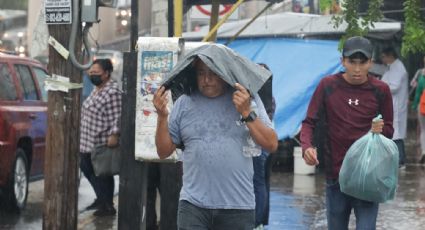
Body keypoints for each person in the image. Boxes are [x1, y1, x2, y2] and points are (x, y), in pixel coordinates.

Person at [153, 58, 278, 230]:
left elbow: (271, 144)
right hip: (193, 205)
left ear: (224, 74)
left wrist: (247, 112)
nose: (206, 80)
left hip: (237, 207)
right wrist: (162, 117)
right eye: (201, 73)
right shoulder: (184, 103)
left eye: (212, 73)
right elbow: (163, 151)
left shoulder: (246, 99)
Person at [300, 36, 394, 229]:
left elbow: (390, 131)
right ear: (342, 61)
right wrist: (307, 147)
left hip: (367, 176)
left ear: (371, 62)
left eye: (362, 62)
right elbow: (309, 122)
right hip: (336, 177)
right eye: (352, 62)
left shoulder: (381, 90)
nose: (357, 69)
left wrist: (380, 130)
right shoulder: (328, 86)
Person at [79, 59, 122, 216]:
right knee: (88, 168)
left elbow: (118, 115)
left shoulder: (112, 92)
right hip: (87, 140)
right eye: (91, 72)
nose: (92, 75)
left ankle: (106, 204)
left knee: (102, 173)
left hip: (101, 141)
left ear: (107, 73)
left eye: (96, 73)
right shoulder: (96, 89)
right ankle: (103, 200)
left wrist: (115, 134)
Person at [253, 63, 276, 230]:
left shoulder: (257, 99)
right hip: (266, 147)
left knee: (257, 183)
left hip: (258, 145)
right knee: (261, 183)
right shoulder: (270, 98)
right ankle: (259, 221)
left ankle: (257, 221)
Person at [380, 47, 409, 168]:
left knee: (397, 134)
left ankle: (400, 160)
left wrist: (382, 85)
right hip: (393, 104)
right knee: (395, 133)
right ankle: (398, 159)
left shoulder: (398, 67)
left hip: (397, 105)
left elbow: (395, 86)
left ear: (390, 56)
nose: (382, 59)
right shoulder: (392, 67)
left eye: (383, 56)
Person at [412, 68, 425, 163]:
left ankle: (424, 150)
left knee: (423, 130)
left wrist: (414, 105)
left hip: (423, 107)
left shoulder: (421, 76)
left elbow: (417, 93)